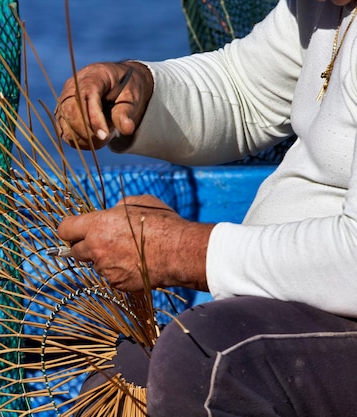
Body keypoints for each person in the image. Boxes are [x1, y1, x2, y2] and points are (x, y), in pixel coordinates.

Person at [54, 0, 357, 415]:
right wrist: (140, 89)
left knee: (204, 359)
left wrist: (178, 250)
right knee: (125, 370)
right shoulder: (319, 7)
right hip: (301, 306)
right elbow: (244, 89)